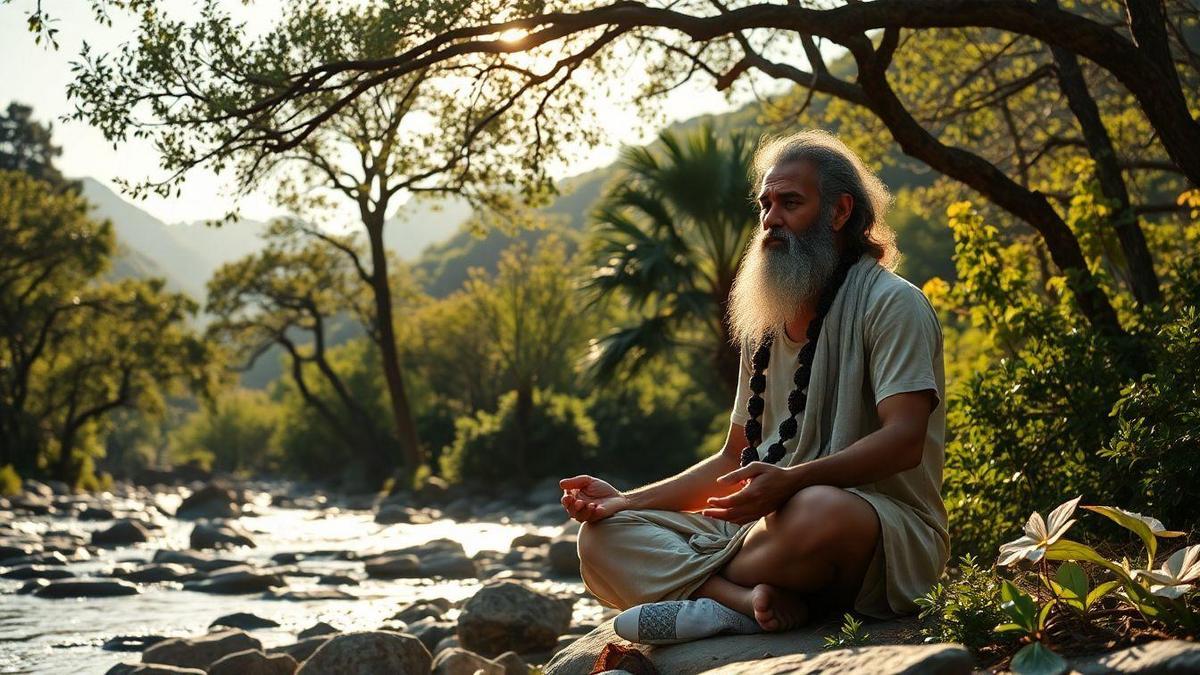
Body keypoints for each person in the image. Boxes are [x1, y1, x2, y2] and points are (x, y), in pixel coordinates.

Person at [559, 130, 949, 645]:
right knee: (599, 537)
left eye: (790, 203)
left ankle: (705, 593)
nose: (771, 219)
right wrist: (626, 503)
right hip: (760, 531)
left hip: (870, 526)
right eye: (766, 204)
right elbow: (732, 461)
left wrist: (793, 482)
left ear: (839, 213)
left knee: (817, 509)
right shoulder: (765, 319)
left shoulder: (891, 303)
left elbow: (903, 441)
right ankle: (743, 603)